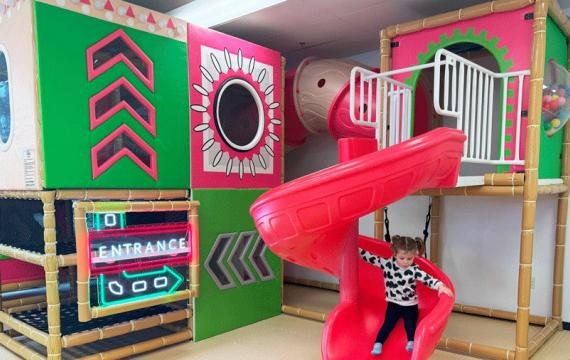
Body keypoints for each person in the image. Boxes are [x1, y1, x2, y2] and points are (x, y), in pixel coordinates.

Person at [359, 235, 453, 355]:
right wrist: (357, 250)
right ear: (395, 254)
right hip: (393, 304)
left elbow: (428, 279)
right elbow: (371, 258)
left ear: (415, 255)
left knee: (410, 325)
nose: (405, 262)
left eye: (409, 259)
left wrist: (440, 286)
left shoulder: (414, 270)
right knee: (387, 324)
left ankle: (411, 342)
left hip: (410, 305)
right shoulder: (388, 264)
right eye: (402, 258)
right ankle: (378, 344)